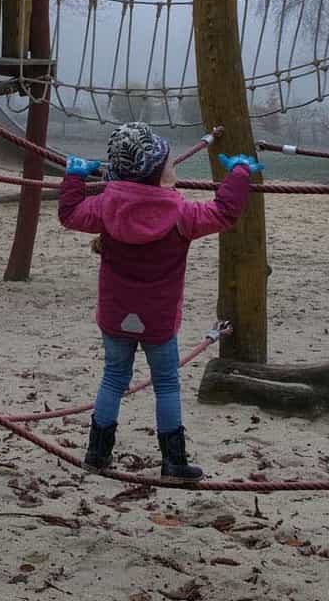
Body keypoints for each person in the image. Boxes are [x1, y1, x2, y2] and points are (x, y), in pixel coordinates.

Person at [58, 122, 259, 480]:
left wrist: (74, 177)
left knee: (113, 378)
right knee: (166, 383)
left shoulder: (106, 207)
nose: (173, 166)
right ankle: (174, 461)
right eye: (169, 162)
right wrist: (240, 173)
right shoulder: (181, 214)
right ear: (158, 174)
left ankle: (97, 453)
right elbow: (225, 212)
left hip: (116, 315)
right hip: (159, 320)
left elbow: (70, 215)